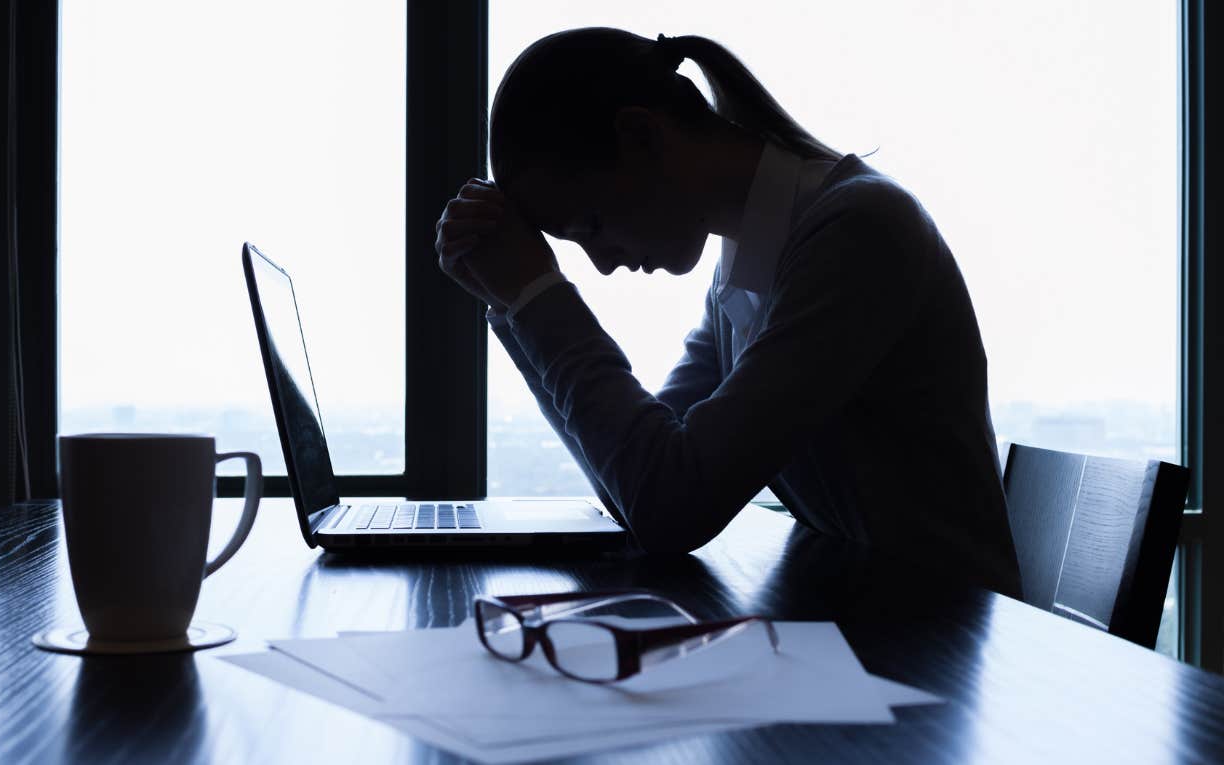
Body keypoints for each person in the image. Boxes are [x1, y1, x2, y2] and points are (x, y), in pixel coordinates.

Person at [434, 28, 1022, 598]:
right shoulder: (750, 265)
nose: (604, 264)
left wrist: (540, 301)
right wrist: (513, 305)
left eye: (590, 226)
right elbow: (636, 488)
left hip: (944, 644)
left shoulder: (859, 231)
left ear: (641, 137)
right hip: (873, 621)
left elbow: (670, 508)